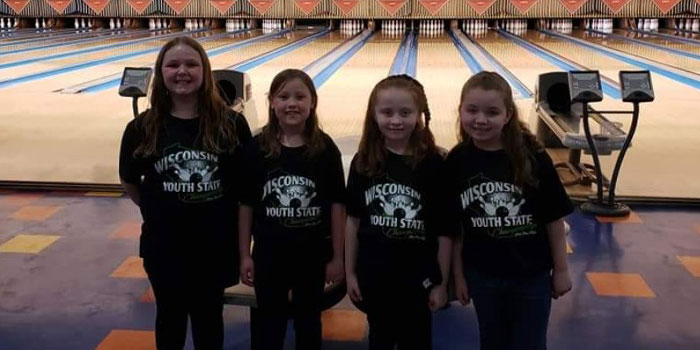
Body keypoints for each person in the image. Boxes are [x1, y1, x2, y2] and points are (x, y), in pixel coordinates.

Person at [119, 36, 252, 350]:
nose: (182, 71)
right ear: (160, 72)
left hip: (215, 245)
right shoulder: (142, 127)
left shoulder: (232, 124)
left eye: (191, 64)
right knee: (170, 316)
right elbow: (129, 181)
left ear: (205, 71)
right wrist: (158, 208)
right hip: (164, 246)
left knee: (209, 318)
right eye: (173, 64)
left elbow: (246, 186)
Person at [447, 71, 573, 350]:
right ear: (461, 111)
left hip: (532, 275)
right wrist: (458, 276)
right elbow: (455, 229)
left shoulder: (533, 157)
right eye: (472, 110)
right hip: (482, 274)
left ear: (507, 115)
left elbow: (553, 219)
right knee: (492, 342)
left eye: (492, 112)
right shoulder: (458, 160)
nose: (480, 119)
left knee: (530, 343)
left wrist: (561, 270)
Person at [237, 69, 346, 350]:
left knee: (309, 321)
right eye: (283, 96)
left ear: (313, 102)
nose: (292, 103)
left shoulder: (325, 149)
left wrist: (337, 256)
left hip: (312, 255)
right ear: (272, 102)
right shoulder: (256, 148)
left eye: (300, 96)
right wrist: (244, 255)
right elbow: (246, 205)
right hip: (268, 255)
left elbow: (337, 206)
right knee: (267, 322)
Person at [344, 74, 452, 350]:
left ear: (420, 115)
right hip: (374, 274)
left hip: (419, 277)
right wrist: (351, 273)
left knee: (417, 339)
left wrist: (442, 283)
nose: (395, 120)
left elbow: (444, 231)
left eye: (405, 113)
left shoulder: (433, 165)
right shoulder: (364, 161)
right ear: (374, 114)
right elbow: (353, 222)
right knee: (379, 337)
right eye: (387, 112)